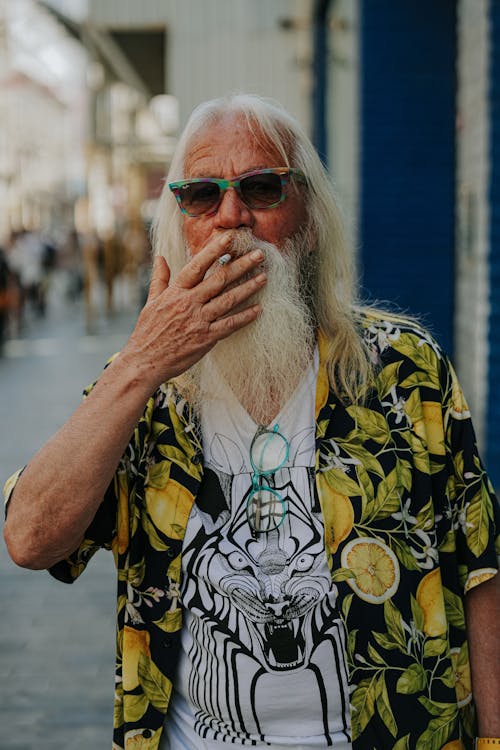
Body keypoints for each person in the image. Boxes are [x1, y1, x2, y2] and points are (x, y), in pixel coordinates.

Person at [3, 94, 499, 750]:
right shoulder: (147, 391)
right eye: (202, 195)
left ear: (309, 219)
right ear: (182, 225)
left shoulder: (407, 370)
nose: (231, 215)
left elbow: (479, 568)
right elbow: (31, 540)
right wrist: (138, 367)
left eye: (262, 188)